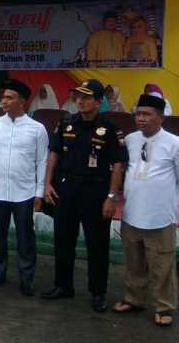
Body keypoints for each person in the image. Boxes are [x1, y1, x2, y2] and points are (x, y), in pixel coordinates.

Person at [41, 79, 127, 312]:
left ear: (98, 101)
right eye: (78, 96)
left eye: (86, 97)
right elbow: (53, 155)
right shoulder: (66, 123)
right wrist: (47, 184)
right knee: (63, 240)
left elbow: (118, 165)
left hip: (95, 192)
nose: (80, 101)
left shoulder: (110, 129)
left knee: (97, 245)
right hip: (66, 190)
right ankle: (63, 286)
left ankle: (98, 292)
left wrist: (111, 197)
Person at [112, 94, 179, 327]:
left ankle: (164, 306)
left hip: (160, 215)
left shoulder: (176, 144)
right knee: (134, 262)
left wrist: (159, 194)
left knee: (162, 265)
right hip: (132, 212)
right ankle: (133, 299)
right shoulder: (130, 139)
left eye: (147, 114)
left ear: (161, 117)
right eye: (138, 114)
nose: (141, 119)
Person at [0, 79, 49, 296]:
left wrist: (39, 192)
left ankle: (26, 279)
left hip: (24, 193)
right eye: (3, 97)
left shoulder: (37, 129)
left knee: (25, 238)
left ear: (23, 102)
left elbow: (42, 161)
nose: (4, 101)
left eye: (9, 98)